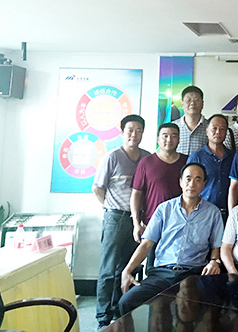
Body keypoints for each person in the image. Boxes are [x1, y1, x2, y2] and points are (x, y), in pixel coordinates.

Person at [119, 162, 224, 315]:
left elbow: (216, 246)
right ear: (180, 182)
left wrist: (214, 261)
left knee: (214, 305)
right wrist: (127, 270)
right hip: (162, 273)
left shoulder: (213, 213)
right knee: (126, 302)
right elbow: (147, 243)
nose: (192, 184)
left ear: (204, 184)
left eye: (198, 180)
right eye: (188, 179)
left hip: (193, 274)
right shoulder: (164, 209)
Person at [91, 114, 150, 329]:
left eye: (138, 130)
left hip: (137, 221)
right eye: (130, 130)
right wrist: (111, 207)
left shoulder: (146, 157)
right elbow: (97, 188)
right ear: (122, 132)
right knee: (108, 269)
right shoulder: (113, 157)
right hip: (115, 218)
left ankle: (119, 312)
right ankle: (103, 318)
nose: (134, 134)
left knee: (127, 267)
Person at [130, 123, 187, 243]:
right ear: (158, 139)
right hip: (152, 223)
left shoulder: (187, 162)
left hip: (181, 224)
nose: (169, 140)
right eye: (165, 136)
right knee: (149, 255)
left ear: (179, 139)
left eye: (174, 136)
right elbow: (136, 194)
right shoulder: (146, 162)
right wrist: (136, 224)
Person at [187, 114, 235, 222]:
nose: (218, 132)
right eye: (214, 128)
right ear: (207, 131)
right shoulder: (196, 157)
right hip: (202, 214)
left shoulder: (233, 157)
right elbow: (188, 186)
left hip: (228, 214)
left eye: (222, 129)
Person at [172, 85, 208, 155]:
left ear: (202, 104)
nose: (192, 103)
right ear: (182, 104)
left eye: (196, 100)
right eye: (188, 100)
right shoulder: (173, 127)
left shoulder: (211, 128)